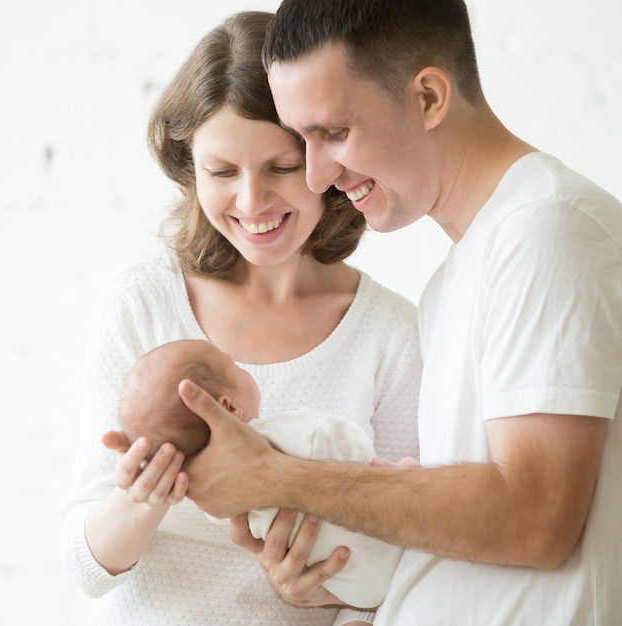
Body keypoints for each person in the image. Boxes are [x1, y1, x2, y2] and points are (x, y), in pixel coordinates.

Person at [175, 1, 622, 624]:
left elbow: (536, 518)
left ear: (431, 97)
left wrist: (276, 478)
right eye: (302, 140)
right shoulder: (456, 278)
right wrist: (335, 573)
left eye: (333, 133)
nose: (317, 173)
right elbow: (473, 539)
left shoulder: (548, 229)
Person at [62, 9, 421, 626]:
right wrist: (141, 502)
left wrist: (319, 593)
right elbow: (85, 564)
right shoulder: (142, 305)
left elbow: (407, 567)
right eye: (221, 172)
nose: (252, 203)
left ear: (327, 161)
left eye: (281, 167)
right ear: (188, 169)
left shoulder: (388, 336)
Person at [119, 338, 406, 609]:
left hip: (359, 591)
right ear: (228, 407)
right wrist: (370, 459)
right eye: (235, 366)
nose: (243, 368)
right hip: (396, 548)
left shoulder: (216, 502)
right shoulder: (279, 435)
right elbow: (341, 442)